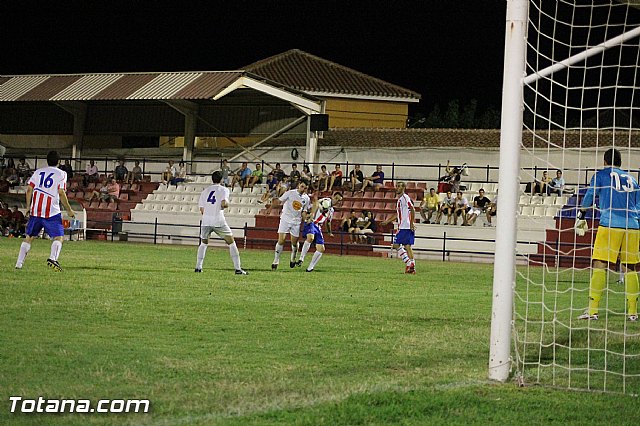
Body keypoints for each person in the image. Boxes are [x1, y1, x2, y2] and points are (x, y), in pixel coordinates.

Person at [576, 148, 638, 322]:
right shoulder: (632, 179)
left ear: (605, 161)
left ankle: (593, 310)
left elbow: (590, 195)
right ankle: (632, 313)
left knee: (599, 264)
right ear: (620, 163)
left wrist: (582, 213)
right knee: (630, 268)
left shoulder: (602, 175)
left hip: (610, 224)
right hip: (633, 226)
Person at [15, 150, 75, 271]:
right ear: (59, 161)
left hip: (36, 210)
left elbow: (29, 189)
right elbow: (61, 192)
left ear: (47, 161)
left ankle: (19, 264)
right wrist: (69, 210)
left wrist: (28, 207)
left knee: (29, 237)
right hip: (51, 211)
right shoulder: (62, 174)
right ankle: (53, 258)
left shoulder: (38, 172)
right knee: (59, 237)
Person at [194, 171, 247, 275]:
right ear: (221, 179)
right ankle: (238, 269)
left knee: (204, 243)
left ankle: (198, 267)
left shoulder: (205, 191)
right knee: (231, 242)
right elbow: (224, 203)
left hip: (206, 221)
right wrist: (225, 205)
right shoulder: (224, 190)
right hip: (218, 220)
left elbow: (201, 209)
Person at [271, 180, 311, 270]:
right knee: (281, 240)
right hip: (285, 219)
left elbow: (303, 211)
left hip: (296, 222)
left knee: (294, 243)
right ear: (299, 185)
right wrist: (272, 204)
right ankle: (276, 260)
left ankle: (293, 258)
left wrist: (306, 220)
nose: (303, 189)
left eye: (305, 187)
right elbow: (279, 200)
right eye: (302, 186)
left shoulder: (307, 198)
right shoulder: (290, 193)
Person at [295, 194, 338, 272]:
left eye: (339, 200)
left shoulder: (331, 210)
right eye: (336, 198)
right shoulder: (326, 201)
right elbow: (316, 203)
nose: (337, 201)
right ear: (333, 197)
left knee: (321, 249)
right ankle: (301, 258)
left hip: (318, 226)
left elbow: (328, 222)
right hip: (312, 222)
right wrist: (312, 215)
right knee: (310, 237)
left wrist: (329, 232)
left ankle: (310, 268)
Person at [382, 182, 416, 274]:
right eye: (396, 186)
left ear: (403, 188)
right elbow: (398, 214)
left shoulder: (405, 198)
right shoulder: (400, 199)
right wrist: (387, 221)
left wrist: (412, 223)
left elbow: (413, 209)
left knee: (396, 245)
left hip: (405, 226)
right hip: (404, 226)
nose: (396, 188)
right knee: (407, 246)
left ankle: (409, 263)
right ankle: (412, 265)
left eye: (399, 186)